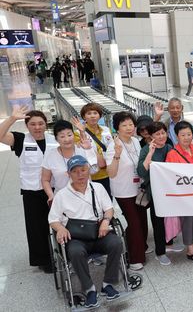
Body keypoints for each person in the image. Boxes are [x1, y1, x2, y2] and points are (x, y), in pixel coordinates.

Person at [48, 155, 122, 309]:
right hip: (76, 237)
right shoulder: (61, 195)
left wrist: (106, 222)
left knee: (116, 242)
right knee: (75, 252)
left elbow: (109, 209)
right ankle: (89, 289)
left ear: (88, 170)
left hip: (98, 232)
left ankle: (108, 283)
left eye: (83, 170)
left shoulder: (98, 188)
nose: (80, 174)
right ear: (68, 174)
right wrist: (60, 228)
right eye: (75, 171)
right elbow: (53, 219)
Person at [0, 107, 58, 272]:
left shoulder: (54, 138)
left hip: (55, 188)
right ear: (27, 126)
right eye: (33, 124)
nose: (37, 127)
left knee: (59, 223)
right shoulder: (20, 140)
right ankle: (43, 260)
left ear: (46, 124)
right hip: (32, 191)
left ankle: (63, 254)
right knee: (37, 227)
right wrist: (12, 118)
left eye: (40, 123)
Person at [105, 112, 147, 271]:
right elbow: (111, 173)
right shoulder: (113, 146)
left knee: (142, 220)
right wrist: (116, 155)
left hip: (138, 189)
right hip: (123, 191)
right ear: (117, 128)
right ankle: (135, 258)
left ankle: (139, 246)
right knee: (134, 222)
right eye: (124, 125)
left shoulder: (136, 141)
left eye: (131, 124)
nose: (129, 128)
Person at [165, 121, 193, 262]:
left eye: (189, 134)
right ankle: (190, 248)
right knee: (188, 220)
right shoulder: (172, 154)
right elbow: (170, 176)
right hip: (184, 195)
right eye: (182, 135)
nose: (186, 137)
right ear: (176, 136)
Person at [137, 122, 180, 266]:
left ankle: (169, 244)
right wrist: (150, 153)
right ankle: (160, 252)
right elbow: (142, 172)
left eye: (163, 133)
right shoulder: (145, 150)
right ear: (151, 136)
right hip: (155, 193)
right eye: (157, 134)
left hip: (169, 191)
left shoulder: (169, 147)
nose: (161, 136)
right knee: (158, 222)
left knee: (170, 218)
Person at [41, 120, 98, 201]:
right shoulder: (50, 155)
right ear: (56, 139)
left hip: (86, 196)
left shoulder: (82, 149)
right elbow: (45, 180)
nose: (67, 139)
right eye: (62, 136)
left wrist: (89, 149)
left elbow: (94, 170)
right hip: (62, 198)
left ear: (74, 135)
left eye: (69, 135)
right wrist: (51, 195)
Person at [73, 103, 114, 198]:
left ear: (99, 115)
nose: (92, 116)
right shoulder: (77, 133)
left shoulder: (106, 130)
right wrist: (82, 132)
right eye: (89, 113)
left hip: (108, 173)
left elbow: (111, 149)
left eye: (95, 113)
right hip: (91, 175)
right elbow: (81, 152)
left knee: (108, 201)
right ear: (84, 117)